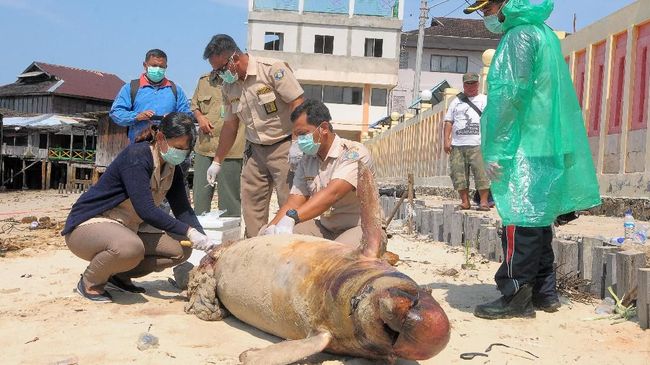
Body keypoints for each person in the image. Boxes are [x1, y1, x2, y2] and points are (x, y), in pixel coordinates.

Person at [464, 0, 601, 319]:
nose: (486, 17)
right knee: (538, 219)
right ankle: (545, 292)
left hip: (524, 145)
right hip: (548, 143)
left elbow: (510, 96)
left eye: (486, 9)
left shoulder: (518, 36)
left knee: (518, 220)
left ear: (503, 3)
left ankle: (516, 295)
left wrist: (498, 149)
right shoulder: (545, 33)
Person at [62, 113, 214, 303]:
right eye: (178, 147)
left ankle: (118, 275)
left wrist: (204, 239)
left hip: (128, 227)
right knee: (130, 248)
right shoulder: (138, 156)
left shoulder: (171, 168)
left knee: (181, 249)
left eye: (185, 150)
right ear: (160, 138)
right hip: (90, 225)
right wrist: (189, 231)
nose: (181, 153)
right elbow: (146, 210)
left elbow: (183, 210)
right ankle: (90, 283)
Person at [203, 34, 304, 238]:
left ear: (234, 58)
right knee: (251, 205)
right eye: (215, 72)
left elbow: (298, 103)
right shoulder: (229, 87)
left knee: (290, 202)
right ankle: (255, 247)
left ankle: (293, 249)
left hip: (284, 146)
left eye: (221, 69)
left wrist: (297, 142)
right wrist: (217, 161)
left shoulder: (271, 70)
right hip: (255, 150)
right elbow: (230, 126)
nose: (220, 75)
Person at [262, 100, 371, 244]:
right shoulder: (307, 160)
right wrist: (271, 230)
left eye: (303, 134)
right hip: (326, 229)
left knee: (338, 259)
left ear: (324, 128)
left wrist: (292, 217)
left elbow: (332, 194)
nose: (300, 141)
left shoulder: (354, 153)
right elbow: (294, 202)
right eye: (297, 135)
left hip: (359, 227)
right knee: (272, 237)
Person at [191, 71, 246, 216]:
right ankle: (199, 233)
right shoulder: (204, 81)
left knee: (229, 200)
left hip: (232, 150)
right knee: (200, 199)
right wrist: (200, 117)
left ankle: (230, 237)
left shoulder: (242, 81)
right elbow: (194, 106)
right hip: (205, 147)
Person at [109, 49, 191, 143]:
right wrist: (137, 116)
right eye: (154, 66)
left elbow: (187, 116)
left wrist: (174, 117)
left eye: (161, 66)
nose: (158, 69)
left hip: (168, 147)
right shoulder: (130, 88)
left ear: (166, 67)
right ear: (145, 65)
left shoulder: (176, 90)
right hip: (139, 145)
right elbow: (116, 113)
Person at [444, 72, 490, 211]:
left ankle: (483, 202)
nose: (471, 86)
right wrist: (446, 140)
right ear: (463, 85)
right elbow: (448, 121)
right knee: (458, 175)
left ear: (478, 84)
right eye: (468, 83)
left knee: (481, 174)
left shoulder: (484, 100)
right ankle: (465, 202)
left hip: (478, 143)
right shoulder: (456, 101)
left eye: (473, 83)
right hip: (457, 145)